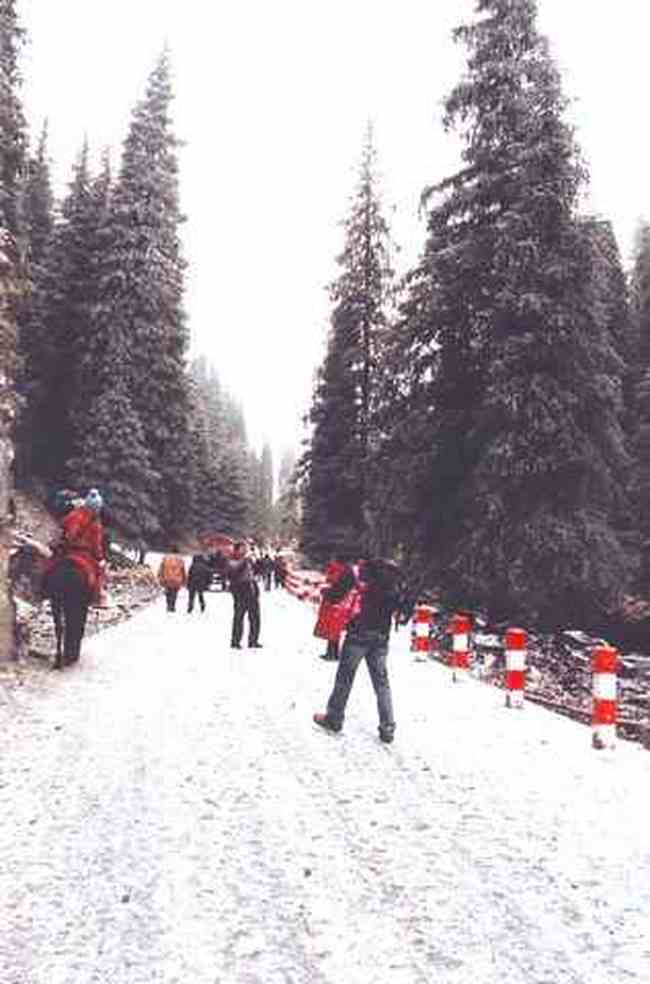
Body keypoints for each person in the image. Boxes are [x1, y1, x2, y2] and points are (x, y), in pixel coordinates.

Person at [313, 557, 412, 744]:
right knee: (382, 683)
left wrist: (325, 592)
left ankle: (334, 718)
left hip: (358, 632)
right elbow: (402, 605)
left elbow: (334, 596)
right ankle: (388, 727)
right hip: (382, 635)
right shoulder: (393, 577)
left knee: (345, 678)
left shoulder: (356, 573)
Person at [43, 487, 106, 666]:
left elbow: (62, 536)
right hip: (84, 559)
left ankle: (43, 590)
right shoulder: (95, 523)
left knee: (49, 569)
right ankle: (72, 653)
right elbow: (97, 549)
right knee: (77, 613)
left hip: (66, 555)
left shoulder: (72, 516)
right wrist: (100, 559)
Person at [227, 541, 262, 648]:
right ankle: (235, 641)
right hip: (240, 590)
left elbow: (257, 572)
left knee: (255, 617)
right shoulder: (232, 560)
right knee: (239, 617)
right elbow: (233, 573)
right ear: (236, 550)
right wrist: (244, 561)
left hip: (251, 588)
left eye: (245, 549)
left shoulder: (248, 561)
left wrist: (257, 562)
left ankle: (253, 640)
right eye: (242, 549)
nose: (245, 551)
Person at [316, 551, 348, 661]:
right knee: (335, 629)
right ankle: (333, 652)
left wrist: (325, 590)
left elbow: (333, 585)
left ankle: (331, 653)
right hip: (337, 603)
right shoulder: (344, 571)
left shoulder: (336, 570)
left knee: (332, 629)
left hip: (332, 603)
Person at [157, 546, 187, 612]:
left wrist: (159, 576)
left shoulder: (165, 559)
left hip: (167, 578)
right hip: (177, 579)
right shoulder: (180, 560)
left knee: (168, 592)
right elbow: (183, 571)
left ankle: (168, 605)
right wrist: (185, 580)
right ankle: (172, 606)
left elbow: (161, 569)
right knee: (174, 593)